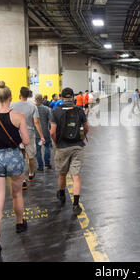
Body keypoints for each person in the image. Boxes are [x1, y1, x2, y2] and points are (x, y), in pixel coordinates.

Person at [0, 81, 30, 255]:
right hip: (14, 157)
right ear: (10, 97)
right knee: (16, 194)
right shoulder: (18, 116)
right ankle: (19, 223)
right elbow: (26, 141)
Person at [50, 87, 89, 215]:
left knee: (62, 173)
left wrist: (57, 143)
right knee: (76, 176)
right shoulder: (79, 110)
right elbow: (86, 127)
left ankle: (61, 195)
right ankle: (76, 205)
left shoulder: (56, 111)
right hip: (77, 146)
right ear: (73, 97)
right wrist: (82, 137)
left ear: (61, 97)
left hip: (62, 146)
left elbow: (52, 132)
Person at [11, 87, 46, 189]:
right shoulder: (33, 106)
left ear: (19, 94)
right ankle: (30, 174)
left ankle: (22, 180)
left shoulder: (12, 105)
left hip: (16, 135)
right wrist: (42, 136)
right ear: (29, 95)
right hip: (29, 134)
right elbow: (36, 122)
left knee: (20, 157)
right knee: (31, 156)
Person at [34, 94, 52, 171]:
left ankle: (40, 166)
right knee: (47, 147)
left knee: (38, 150)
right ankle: (47, 163)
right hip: (46, 132)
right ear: (42, 100)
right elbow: (51, 121)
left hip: (36, 133)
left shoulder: (33, 109)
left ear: (35, 100)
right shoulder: (47, 109)